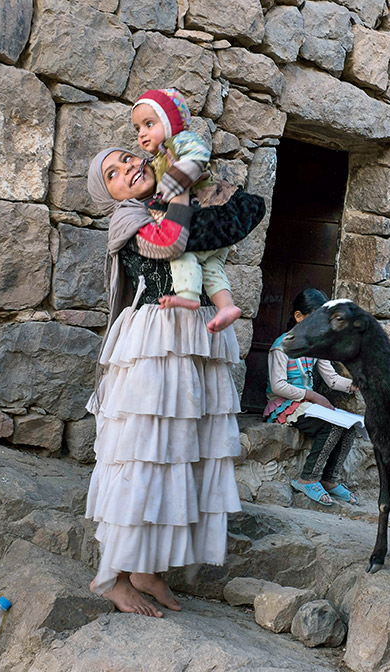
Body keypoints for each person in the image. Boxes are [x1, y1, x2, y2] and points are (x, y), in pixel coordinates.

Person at [83, 148, 246, 617]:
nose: (126, 170)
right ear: (108, 193)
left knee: (179, 454)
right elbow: (171, 243)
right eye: (111, 174)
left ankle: (147, 570)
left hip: (194, 338)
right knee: (141, 454)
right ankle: (110, 576)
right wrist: (179, 186)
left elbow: (222, 234)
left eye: (127, 159)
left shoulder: (173, 201)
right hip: (154, 343)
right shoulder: (129, 221)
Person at [128, 87, 260, 333]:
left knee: (183, 254)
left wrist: (175, 180)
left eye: (148, 124)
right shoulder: (158, 157)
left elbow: (197, 156)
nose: (142, 133)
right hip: (212, 227)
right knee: (212, 267)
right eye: (138, 129)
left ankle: (188, 295)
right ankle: (226, 305)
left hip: (206, 217)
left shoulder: (179, 140)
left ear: (171, 122)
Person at [264, 289, 360, 506]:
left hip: (308, 405)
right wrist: (311, 395)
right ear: (299, 317)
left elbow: (332, 379)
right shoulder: (281, 347)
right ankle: (307, 478)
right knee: (333, 427)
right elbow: (278, 386)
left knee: (350, 428)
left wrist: (356, 385)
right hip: (286, 406)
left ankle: (329, 480)